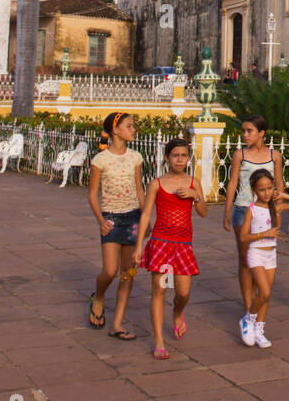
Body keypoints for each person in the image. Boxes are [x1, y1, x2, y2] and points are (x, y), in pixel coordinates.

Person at [135, 139, 207, 359]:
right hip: (161, 244)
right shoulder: (157, 183)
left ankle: (177, 313)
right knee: (159, 292)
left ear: (188, 158)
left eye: (184, 155)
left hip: (183, 245)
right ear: (167, 157)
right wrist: (139, 246)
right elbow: (146, 213)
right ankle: (158, 340)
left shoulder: (193, 182)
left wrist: (196, 197)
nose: (179, 159)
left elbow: (203, 212)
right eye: (175, 155)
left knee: (183, 293)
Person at [223, 116, 283, 346]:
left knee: (263, 260)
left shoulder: (273, 156)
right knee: (245, 259)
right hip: (242, 210)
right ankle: (249, 306)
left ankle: (256, 306)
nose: (245, 135)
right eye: (244, 131)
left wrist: (278, 213)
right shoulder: (240, 154)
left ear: (261, 133)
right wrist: (227, 211)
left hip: (266, 213)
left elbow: (279, 185)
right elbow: (232, 183)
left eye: (249, 131)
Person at [88, 112, 144, 340]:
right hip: (111, 218)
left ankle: (117, 324)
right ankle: (99, 297)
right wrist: (101, 220)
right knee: (110, 271)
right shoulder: (100, 160)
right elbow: (93, 195)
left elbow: (139, 188)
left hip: (133, 218)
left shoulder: (136, 157)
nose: (133, 130)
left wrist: (145, 217)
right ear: (115, 130)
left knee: (127, 273)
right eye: (129, 126)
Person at [240, 169, 289, 348]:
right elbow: (243, 237)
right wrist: (264, 233)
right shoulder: (252, 210)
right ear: (254, 190)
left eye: (270, 188)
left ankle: (259, 330)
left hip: (271, 255)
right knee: (265, 292)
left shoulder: (275, 207)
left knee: (266, 297)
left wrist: (283, 194)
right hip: (256, 253)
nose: (267, 193)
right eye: (262, 189)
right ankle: (248, 319)